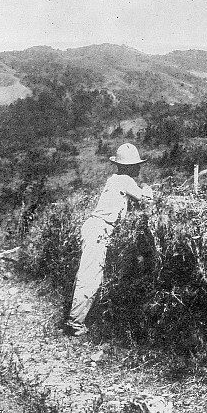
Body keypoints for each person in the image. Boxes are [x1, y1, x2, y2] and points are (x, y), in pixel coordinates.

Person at [65, 143, 154, 336]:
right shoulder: (125, 180)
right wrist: (148, 189)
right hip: (99, 228)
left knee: (87, 272)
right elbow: (146, 200)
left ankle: (76, 317)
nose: (138, 168)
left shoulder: (114, 180)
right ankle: (75, 323)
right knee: (91, 277)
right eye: (136, 165)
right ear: (129, 166)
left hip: (95, 227)